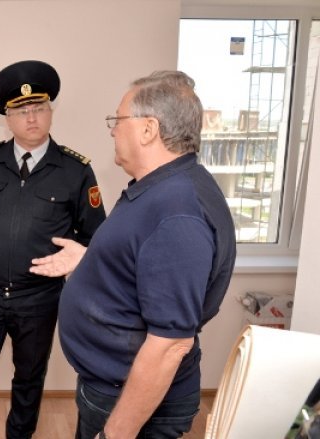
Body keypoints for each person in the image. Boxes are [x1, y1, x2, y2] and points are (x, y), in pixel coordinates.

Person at [30, 70, 237, 439]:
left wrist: (115, 434)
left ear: (148, 129)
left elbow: (170, 343)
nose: (112, 130)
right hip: (111, 385)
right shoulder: (166, 188)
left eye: (118, 120)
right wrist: (91, 260)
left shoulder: (177, 212)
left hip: (127, 401)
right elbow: (143, 266)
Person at [0, 60, 107, 439]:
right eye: (21, 111)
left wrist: (56, 265)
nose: (31, 118)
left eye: (39, 108)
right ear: (7, 118)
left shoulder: (76, 170)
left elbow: (93, 235)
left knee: (29, 382)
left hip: (38, 298)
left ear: (51, 112)